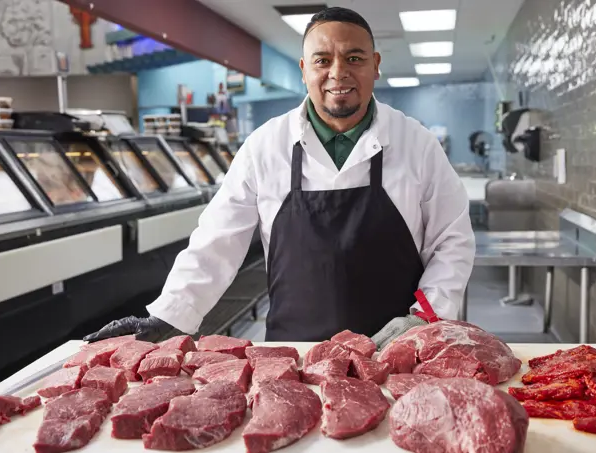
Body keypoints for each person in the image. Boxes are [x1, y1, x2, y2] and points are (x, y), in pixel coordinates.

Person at [84, 7, 476, 350]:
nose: (338, 73)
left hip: (395, 349)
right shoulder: (266, 145)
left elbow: (452, 240)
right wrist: (170, 317)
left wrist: (425, 319)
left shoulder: (416, 144)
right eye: (322, 60)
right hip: (294, 354)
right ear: (304, 70)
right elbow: (217, 240)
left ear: (375, 65)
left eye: (354, 58)